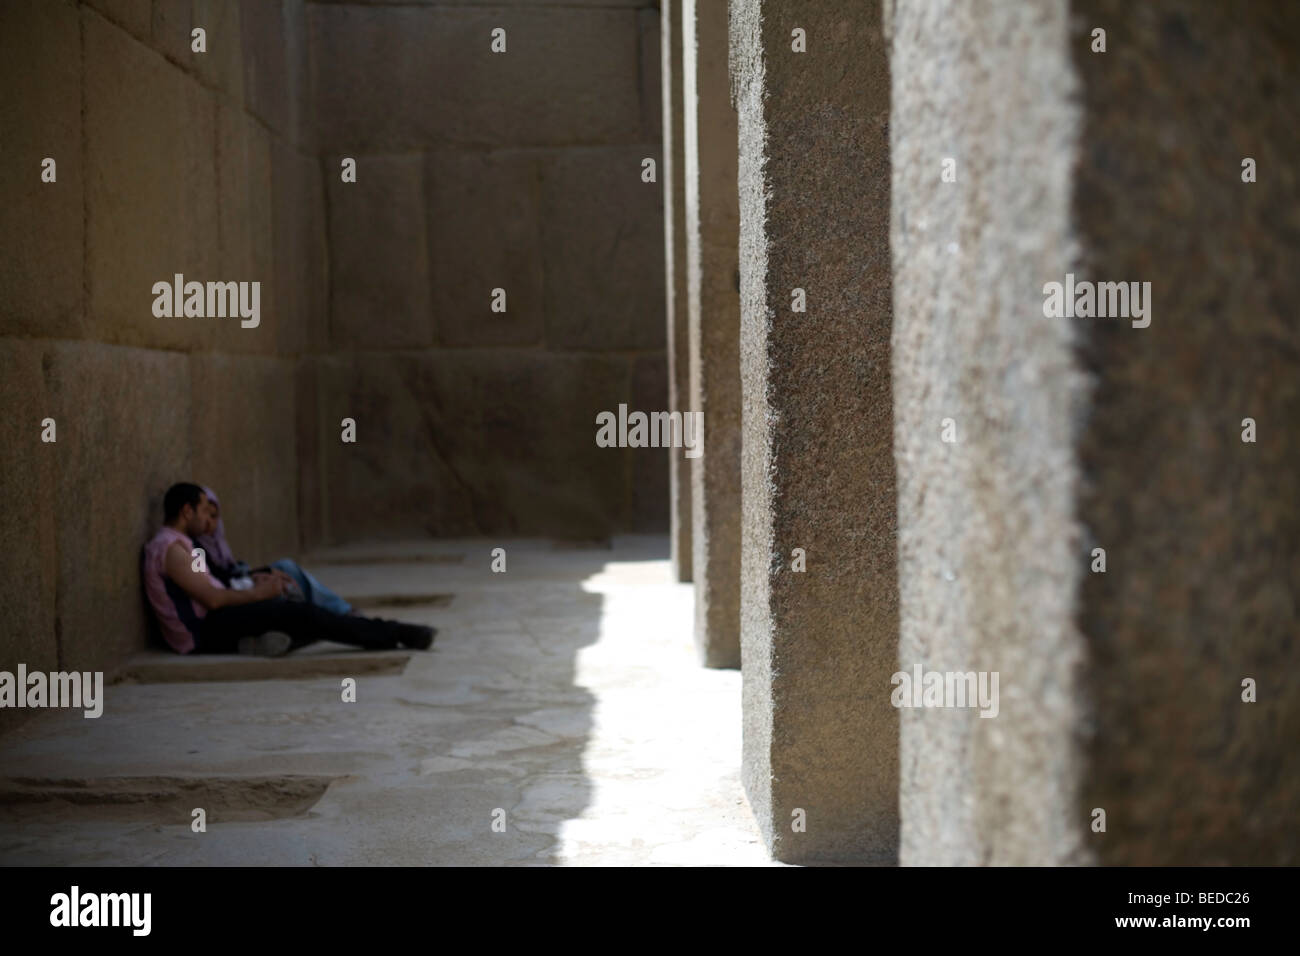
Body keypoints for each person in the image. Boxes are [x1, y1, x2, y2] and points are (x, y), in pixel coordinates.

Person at [142, 482, 435, 656]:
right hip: (203, 634)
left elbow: (213, 585)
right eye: (205, 510)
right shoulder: (170, 549)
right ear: (186, 511)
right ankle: (394, 633)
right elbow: (213, 599)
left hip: (215, 623)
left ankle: (253, 644)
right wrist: (260, 593)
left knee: (299, 607)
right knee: (301, 614)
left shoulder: (183, 543)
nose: (210, 519)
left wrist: (255, 581)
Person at [195, 486, 353, 616]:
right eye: (204, 514)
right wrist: (255, 580)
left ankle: (342, 612)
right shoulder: (192, 548)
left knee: (286, 571)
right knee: (278, 590)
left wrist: (257, 574)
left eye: (213, 516)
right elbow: (211, 584)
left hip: (234, 583)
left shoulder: (215, 544)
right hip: (227, 597)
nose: (209, 522)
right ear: (189, 512)